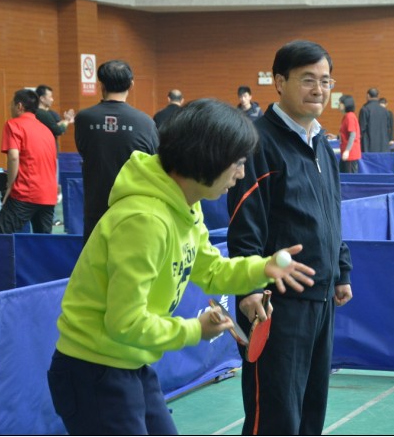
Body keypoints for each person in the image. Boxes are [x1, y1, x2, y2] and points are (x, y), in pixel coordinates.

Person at [47, 98, 316, 435]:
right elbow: (124, 322)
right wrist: (195, 330)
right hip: (93, 370)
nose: (241, 173)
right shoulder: (144, 221)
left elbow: (211, 271)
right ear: (208, 157)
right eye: (237, 163)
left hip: (131, 362)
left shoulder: (186, 206)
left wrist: (262, 269)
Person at [226, 40, 353, 435]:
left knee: (311, 410)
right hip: (275, 303)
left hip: (320, 299)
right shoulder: (257, 143)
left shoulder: (321, 143)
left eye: (326, 81)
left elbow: (331, 211)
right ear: (279, 82)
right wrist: (249, 290)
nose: (319, 89)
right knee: (275, 416)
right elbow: (244, 223)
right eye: (308, 80)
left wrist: (341, 270)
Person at [74, 59, 159, 243]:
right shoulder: (145, 123)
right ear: (131, 85)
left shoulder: (83, 119)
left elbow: (83, 149)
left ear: (101, 85)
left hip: (95, 206)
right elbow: (153, 160)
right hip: (133, 207)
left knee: (93, 257)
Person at [0, 89, 57, 234]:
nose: (10, 107)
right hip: (48, 195)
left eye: (11, 104)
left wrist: (10, 186)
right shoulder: (47, 131)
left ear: (19, 106)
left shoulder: (13, 124)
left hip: (26, 192)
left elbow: (14, 156)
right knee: (43, 242)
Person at [36, 84, 76, 223]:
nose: (52, 99)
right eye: (50, 96)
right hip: (46, 156)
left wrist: (66, 121)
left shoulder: (49, 114)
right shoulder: (40, 114)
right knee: (49, 186)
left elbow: (58, 128)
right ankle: (49, 217)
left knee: (51, 186)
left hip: (50, 154)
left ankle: (48, 216)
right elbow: (58, 129)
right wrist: (67, 121)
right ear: (42, 98)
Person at [359, 88, 393, 152]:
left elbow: (361, 128)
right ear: (378, 96)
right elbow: (388, 128)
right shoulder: (385, 111)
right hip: (383, 148)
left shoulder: (365, 110)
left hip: (369, 148)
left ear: (368, 96)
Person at [337, 94, 362, 173]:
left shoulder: (350, 117)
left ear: (346, 104)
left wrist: (347, 151)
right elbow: (345, 134)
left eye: (340, 103)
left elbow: (352, 135)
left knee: (349, 177)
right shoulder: (346, 116)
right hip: (346, 153)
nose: (338, 104)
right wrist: (336, 137)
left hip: (350, 154)